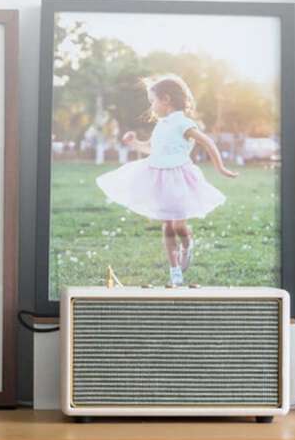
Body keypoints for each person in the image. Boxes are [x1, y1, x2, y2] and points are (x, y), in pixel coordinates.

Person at [97, 74, 237, 287]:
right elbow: (152, 149)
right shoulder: (161, 125)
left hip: (179, 178)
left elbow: (207, 142)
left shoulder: (183, 123)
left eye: (153, 101)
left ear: (166, 99)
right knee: (167, 224)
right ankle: (174, 270)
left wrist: (221, 167)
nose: (151, 106)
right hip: (159, 177)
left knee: (179, 225)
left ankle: (187, 245)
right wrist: (134, 143)